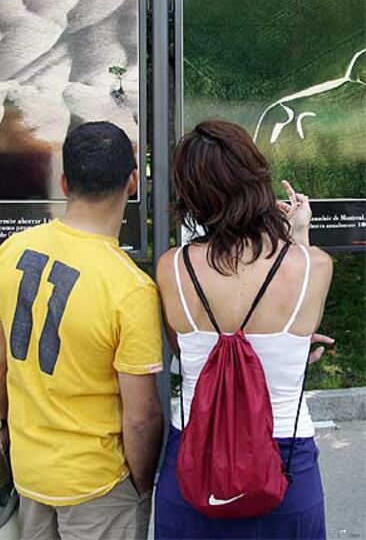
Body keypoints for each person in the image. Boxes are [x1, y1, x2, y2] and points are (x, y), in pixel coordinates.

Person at [0, 121, 164, 540]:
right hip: (97, 482)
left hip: (29, 472)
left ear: (64, 182)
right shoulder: (130, 289)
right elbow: (140, 418)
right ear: (133, 183)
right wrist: (141, 485)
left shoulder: (11, 251)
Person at [155, 120, 333, 540]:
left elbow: (181, 351)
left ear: (192, 194)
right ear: (256, 177)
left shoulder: (172, 268)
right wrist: (300, 235)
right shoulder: (314, 267)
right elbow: (300, 331)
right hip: (285, 461)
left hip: (195, 457)